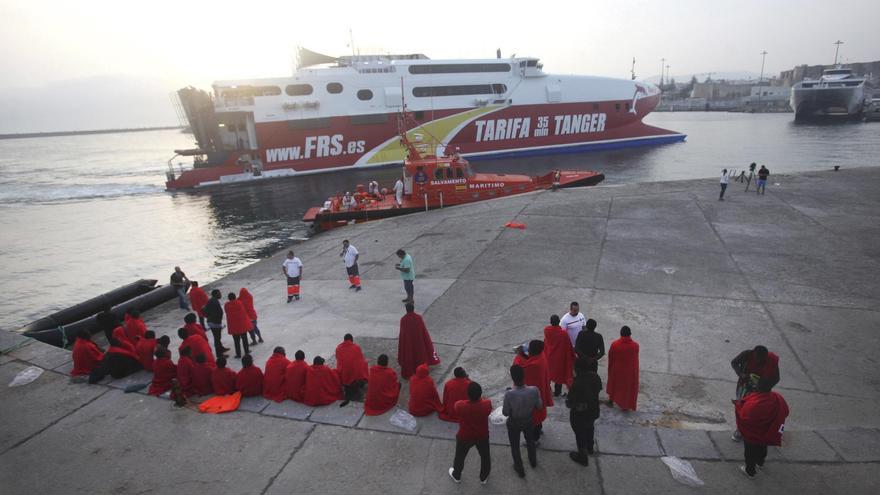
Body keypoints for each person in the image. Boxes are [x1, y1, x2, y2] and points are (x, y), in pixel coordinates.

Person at [734, 378, 790, 479]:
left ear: (758, 387)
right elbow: (785, 411)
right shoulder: (777, 398)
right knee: (763, 448)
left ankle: (750, 471)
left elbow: (744, 416)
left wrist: (737, 405)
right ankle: (760, 462)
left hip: (753, 435)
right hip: (766, 432)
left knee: (750, 453)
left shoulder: (754, 402)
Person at [730, 345, 780, 441]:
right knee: (743, 410)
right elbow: (734, 362)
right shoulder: (747, 354)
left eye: (761, 359)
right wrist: (741, 374)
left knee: (757, 412)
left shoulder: (771, 361)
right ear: (754, 353)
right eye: (757, 358)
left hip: (761, 391)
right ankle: (740, 431)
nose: (759, 361)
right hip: (744, 387)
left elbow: (776, 378)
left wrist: (765, 386)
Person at [503, 364, 543, 478]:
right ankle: (533, 461)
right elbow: (539, 406)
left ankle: (519, 468)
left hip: (514, 422)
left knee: (515, 446)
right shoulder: (534, 390)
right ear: (524, 376)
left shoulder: (509, 394)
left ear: (512, 378)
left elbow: (505, 412)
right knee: (530, 441)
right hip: (529, 420)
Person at [448, 381, 492, 485]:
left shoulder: (460, 405)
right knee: (485, 457)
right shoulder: (487, 404)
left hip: (465, 436)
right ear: (480, 394)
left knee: (459, 456)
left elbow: (456, 408)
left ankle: (457, 475)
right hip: (482, 435)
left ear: (468, 394)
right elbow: (488, 409)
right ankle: (484, 477)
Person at [513, 340, 553, 442]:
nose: (528, 350)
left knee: (533, 418)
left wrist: (518, 355)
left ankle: (534, 440)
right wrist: (522, 354)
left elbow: (518, 369)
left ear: (533, 350)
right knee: (538, 415)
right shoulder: (541, 356)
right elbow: (529, 361)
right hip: (540, 392)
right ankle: (538, 430)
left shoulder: (535, 364)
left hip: (532, 397)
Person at [566, 357, 602, 466]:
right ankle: (590, 447)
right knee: (590, 428)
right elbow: (598, 389)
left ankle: (582, 457)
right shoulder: (595, 377)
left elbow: (570, 401)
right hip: (593, 410)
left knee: (580, 435)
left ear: (578, 369)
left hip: (580, 415)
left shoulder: (577, 383)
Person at [397, 303, 440, 379]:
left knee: (409, 355)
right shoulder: (418, 318)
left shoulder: (403, 319)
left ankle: (410, 371)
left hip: (408, 343)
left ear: (406, 310)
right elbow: (423, 331)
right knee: (420, 355)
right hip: (418, 341)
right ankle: (421, 370)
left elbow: (402, 334)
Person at [606, 326, 640, 410]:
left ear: (621, 334)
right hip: (629, 371)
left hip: (617, 369)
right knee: (627, 388)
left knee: (614, 384)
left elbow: (611, 357)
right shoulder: (635, 346)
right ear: (630, 334)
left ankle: (611, 400)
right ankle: (625, 405)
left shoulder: (615, 344)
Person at [543, 314, 575, 397]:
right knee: (559, 376)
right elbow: (568, 346)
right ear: (559, 322)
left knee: (548, 374)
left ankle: (547, 391)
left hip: (549, 357)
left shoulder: (547, 330)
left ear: (550, 322)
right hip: (559, 358)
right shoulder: (563, 333)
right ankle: (557, 392)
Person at [335, 334, 369, 406]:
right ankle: (360, 382)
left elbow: (339, 361)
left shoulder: (338, 348)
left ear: (344, 340)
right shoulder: (357, 347)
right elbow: (360, 361)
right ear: (352, 340)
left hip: (344, 375)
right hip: (356, 376)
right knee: (364, 363)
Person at [224, 292, 252, 358]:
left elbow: (226, 312)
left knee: (236, 341)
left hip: (233, 326)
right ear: (235, 297)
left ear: (228, 298)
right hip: (242, 325)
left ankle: (238, 354)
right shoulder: (239, 303)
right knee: (244, 339)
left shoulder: (226, 305)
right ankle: (246, 352)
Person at [202, 289, 228, 357]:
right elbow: (216, 313)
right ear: (216, 294)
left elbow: (205, 309)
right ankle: (219, 354)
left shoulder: (212, 300)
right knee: (217, 338)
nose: (220, 294)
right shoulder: (214, 302)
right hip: (214, 323)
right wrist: (218, 323)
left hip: (213, 322)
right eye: (219, 293)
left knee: (217, 337)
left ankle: (221, 348)